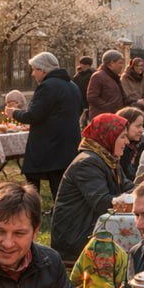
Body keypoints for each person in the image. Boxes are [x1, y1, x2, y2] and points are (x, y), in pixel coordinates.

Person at [51, 113, 134, 264]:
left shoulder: (108, 158)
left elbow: (128, 187)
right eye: (122, 137)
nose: (127, 142)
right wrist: (133, 197)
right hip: (76, 238)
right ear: (108, 136)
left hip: (93, 228)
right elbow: (102, 202)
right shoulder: (88, 163)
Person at [9, 52, 82, 199]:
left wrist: (14, 113)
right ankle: (59, 211)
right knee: (60, 181)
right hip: (69, 141)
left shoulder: (47, 86)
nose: (32, 74)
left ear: (42, 70)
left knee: (33, 176)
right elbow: (79, 110)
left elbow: (33, 116)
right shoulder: (72, 85)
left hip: (49, 143)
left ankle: (32, 207)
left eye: (34, 69)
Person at [87, 49, 125, 119]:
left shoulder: (114, 77)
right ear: (111, 63)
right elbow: (92, 97)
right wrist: (109, 108)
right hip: (102, 119)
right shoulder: (98, 76)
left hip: (115, 117)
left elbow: (122, 97)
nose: (122, 66)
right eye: (120, 63)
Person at [116, 106, 144, 183]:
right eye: (138, 126)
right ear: (125, 126)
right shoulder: (120, 149)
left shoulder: (138, 145)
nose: (142, 130)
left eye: (142, 126)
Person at [72, 56, 96, 122]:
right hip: (80, 101)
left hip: (88, 102)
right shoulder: (77, 76)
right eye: (83, 64)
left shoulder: (92, 74)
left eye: (86, 65)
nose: (83, 66)